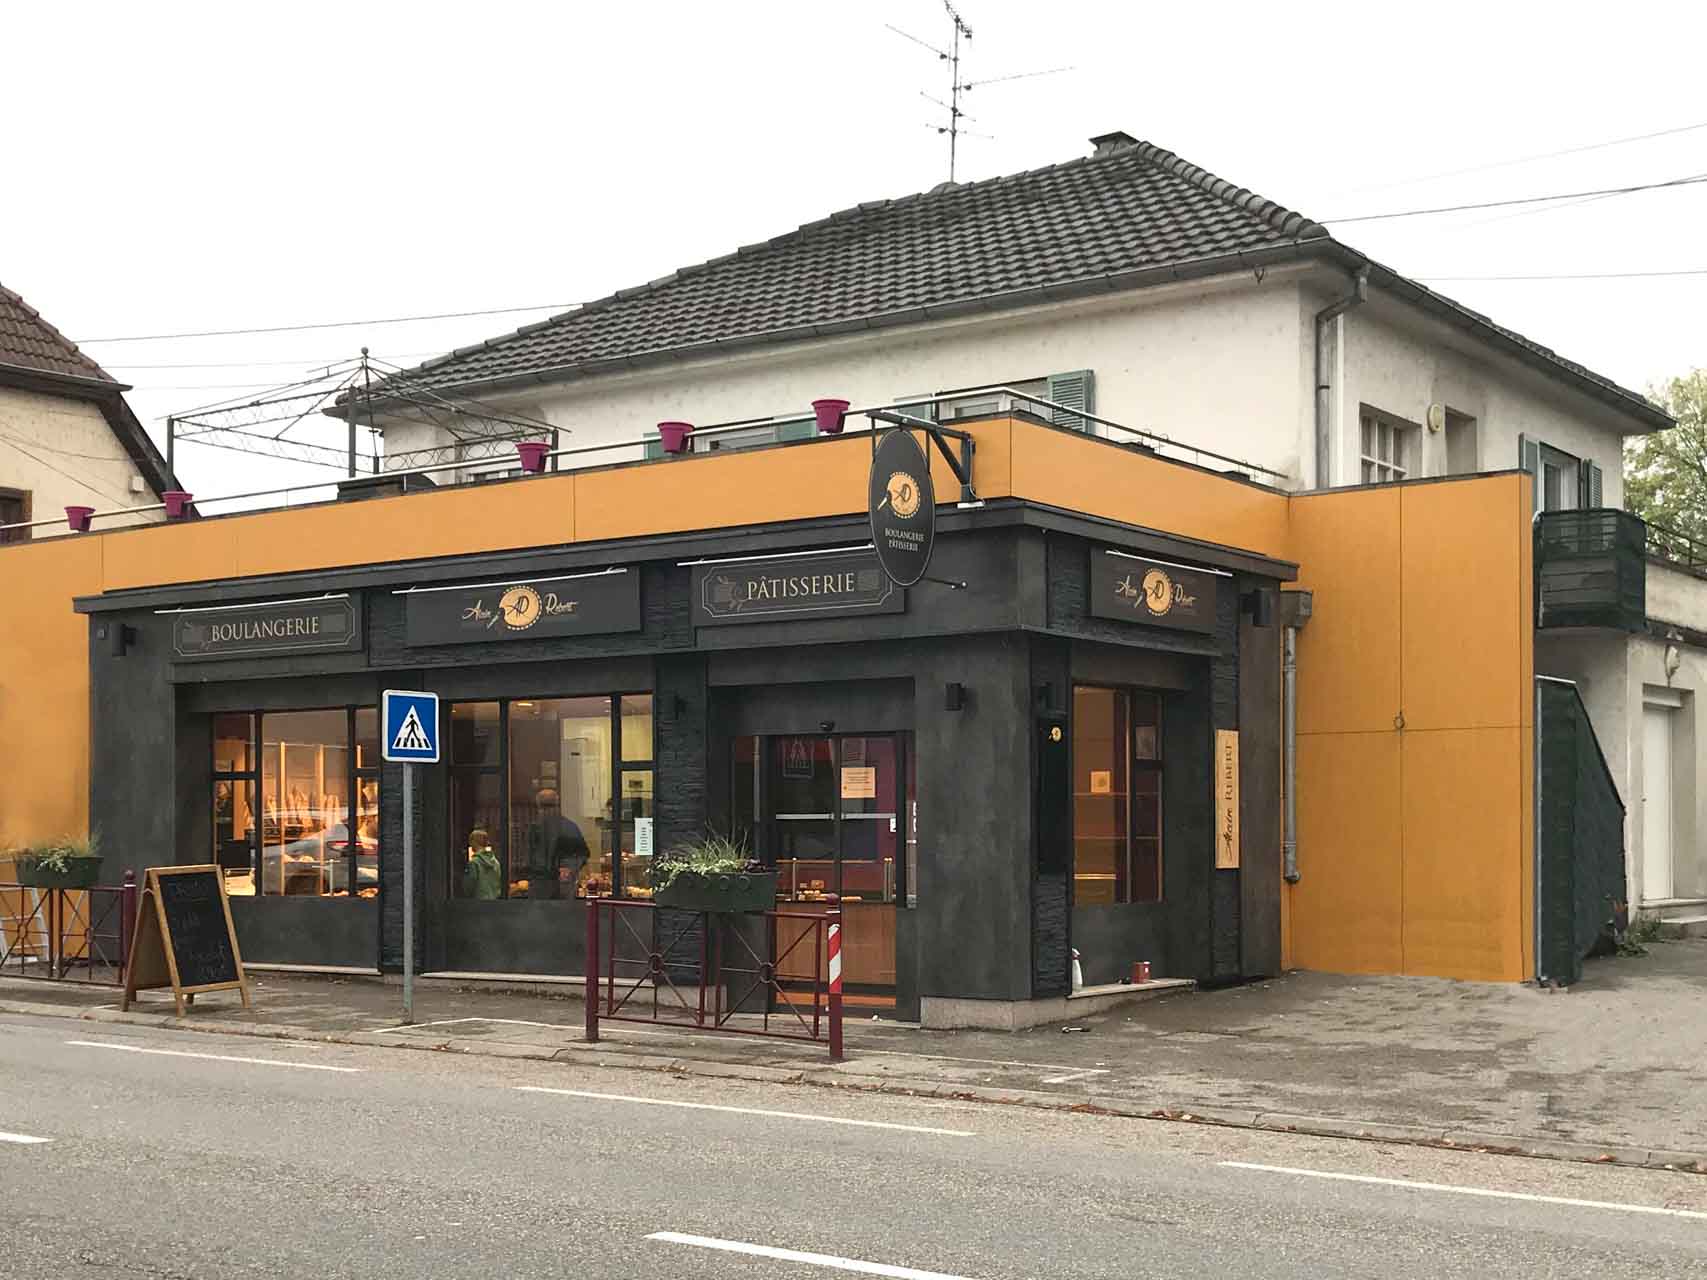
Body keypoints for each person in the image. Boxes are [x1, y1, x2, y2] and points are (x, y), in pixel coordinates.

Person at [527, 788, 591, 899]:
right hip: (561, 886)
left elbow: (530, 856)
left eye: (544, 807)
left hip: (542, 887)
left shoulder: (535, 828)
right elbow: (582, 853)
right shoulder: (569, 827)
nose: (543, 811)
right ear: (557, 804)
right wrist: (569, 868)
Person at [462, 826, 501, 900]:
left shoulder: (474, 863)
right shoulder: (496, 862)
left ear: (474, 842)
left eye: (470, 841)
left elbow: (469, 887)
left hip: (478, 904)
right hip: (494, 903)